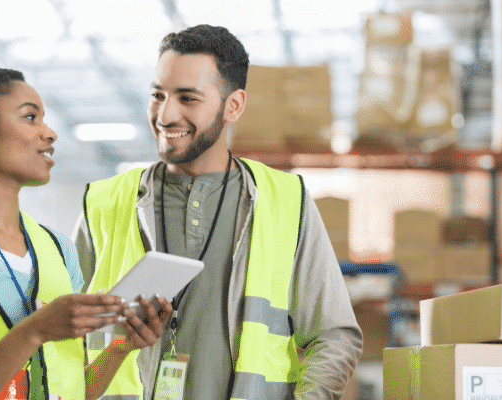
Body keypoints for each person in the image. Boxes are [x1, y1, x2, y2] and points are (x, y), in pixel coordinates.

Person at [74, 25, 363, 400]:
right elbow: (57, 339)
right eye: (158, 95)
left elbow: (334, 334)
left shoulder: (286, 200)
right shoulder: (103, 202)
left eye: (187, 98)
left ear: (234, 106)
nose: (165, 114)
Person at [0, 68, 172, 400]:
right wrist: (33, 332)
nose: (49, 133)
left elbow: (72, 389)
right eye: (30, 117)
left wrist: (121, 347)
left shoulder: (57, 249)